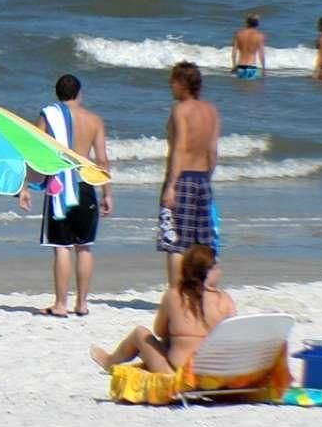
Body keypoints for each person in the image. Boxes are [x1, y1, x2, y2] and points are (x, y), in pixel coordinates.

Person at [19, 73, 111, 317]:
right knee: (85, 247)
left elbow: (36, 152)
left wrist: (25, 186)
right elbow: (102, 159)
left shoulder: (48, 116)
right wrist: (107, 193)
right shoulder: (94, 120)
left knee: (62, 247)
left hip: (60, 187)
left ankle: (61, 304)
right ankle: (82, 303)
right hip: (85, 186)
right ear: (79, 94)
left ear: (57, 95)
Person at [90, 244, 235, 373]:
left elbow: (159, 331)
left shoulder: (174, 295)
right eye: (217, 267)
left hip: (177, 373)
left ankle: (109, 362)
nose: (220, 271)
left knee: (140, 333)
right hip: (216, 372)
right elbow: (234, 338)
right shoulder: (226, 300)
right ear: (208, 271)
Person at [158, 61, 220, 284]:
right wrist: (207, 178)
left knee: (175, 241)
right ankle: (203, 290)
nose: (170, 85)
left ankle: (176, 293)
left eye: (173, 81)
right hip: (203, 179)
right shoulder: (211, 111)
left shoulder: (180, 110)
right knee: (203, 241)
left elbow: (180, 147)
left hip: (182, 177)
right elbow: (213, 151)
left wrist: (171, 185)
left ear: (183, 83)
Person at [231, 13, 267, 79]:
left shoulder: (239, 34)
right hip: (251, 66)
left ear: (247, 22)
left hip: (240, 66)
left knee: (241, 87)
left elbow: (234, 52)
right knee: (251, 88)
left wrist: (233, 65)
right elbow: (261, 54)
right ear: (257, 23)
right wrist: (264, 68)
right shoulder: (259, 36)